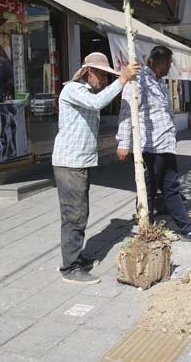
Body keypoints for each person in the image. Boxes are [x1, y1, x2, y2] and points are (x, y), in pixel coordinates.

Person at [53, 52, 140, 284]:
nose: (104, 80)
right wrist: (122, 79)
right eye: (102, 74)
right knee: (74, 215)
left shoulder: (85, 91)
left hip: (79, 162)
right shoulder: (74, 89)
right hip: (70, 163)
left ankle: (74, 256)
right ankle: (69, 267)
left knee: (80, 212)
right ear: (90, 72)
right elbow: (98, 102)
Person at [116, 46, 191, 244]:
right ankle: (145, 231)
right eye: (167, 63)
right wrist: (123, 143)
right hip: (149, 147)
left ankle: (187, 230)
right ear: (155, 62)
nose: (169, 67)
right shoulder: (138, 82)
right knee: (148, 190)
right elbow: (126, 112)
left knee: (171, 188)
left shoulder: (161, 83)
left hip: (166, 145)